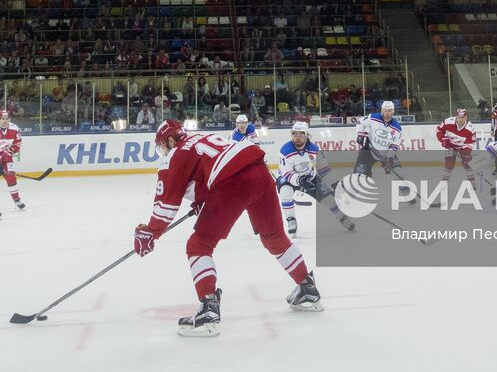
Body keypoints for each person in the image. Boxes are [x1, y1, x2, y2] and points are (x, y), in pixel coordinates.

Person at [132, 119, 322, 337]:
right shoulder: (200, 138)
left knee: (198, 245)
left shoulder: (176, 154)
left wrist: (150, 232)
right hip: (260, 174)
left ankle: (208, 311)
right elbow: (210, 169)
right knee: (274, 238)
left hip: (233, 184)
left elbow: (166, 205)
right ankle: (307, 288)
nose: (164, 152)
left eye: (163, 146)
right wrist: (202, 199)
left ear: (172, 140)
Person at [275, 121, 354, 235]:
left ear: (306, 135)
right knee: (285, 192)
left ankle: (342, 217)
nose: (297, 138)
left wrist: (335, 183)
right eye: (295, 134)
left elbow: (324, 169)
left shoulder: (314, 149)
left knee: (329, 199)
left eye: (301, 135)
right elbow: (286, 173)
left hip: (309, 177)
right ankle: (291, 220)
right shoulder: (285, 150)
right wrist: (299, 180)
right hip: (287, 178)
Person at [353, 99, 402, 177]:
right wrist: (361, 134)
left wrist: (390, 157)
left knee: (399, 172)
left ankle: (404, 188)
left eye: (389, 110)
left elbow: (394, 145)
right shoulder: (373, 117)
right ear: (382, 110)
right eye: (385, 110)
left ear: (393, 111)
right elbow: (360, 123)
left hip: (385, 152)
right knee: (359, 176)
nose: (387, 113)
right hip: (368, 150)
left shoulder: (397, 127)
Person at [435, 108, 477, 197]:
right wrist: (442, 139)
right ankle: (443, 185)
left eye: (463, 117)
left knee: (467, 163)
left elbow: (469, 144)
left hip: (463, 147)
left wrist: (466, 154)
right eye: (459, 117)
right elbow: (439, 131)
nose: (461, 119)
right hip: (450, 146)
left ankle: (473, 183)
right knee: (449, 164)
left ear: (466, 117)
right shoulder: (448, 122)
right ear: (456, 117)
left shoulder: (470, 129)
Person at [0, 107, 25, 210]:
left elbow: (17, 144)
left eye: (7, 118)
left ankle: (17, 200)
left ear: (10, 119)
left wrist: (7, 154)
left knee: (11, 177)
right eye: (2, 118)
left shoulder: (15, 128)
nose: (5, 121)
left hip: (6, 158)